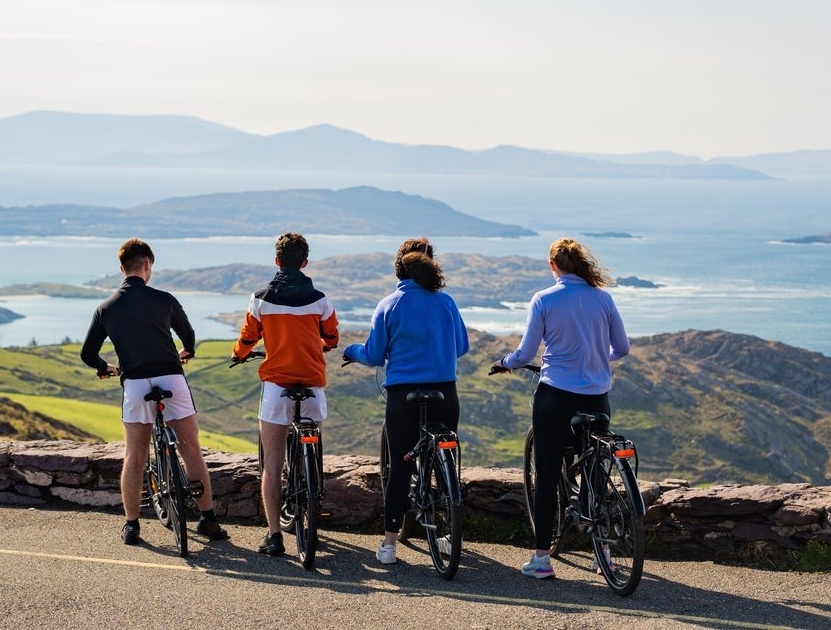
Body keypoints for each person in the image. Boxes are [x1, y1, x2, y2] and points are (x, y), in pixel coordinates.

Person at [493, 237, 630, 579]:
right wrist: (598, 358)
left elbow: (526, 354)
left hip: (557, 393)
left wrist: (506, 363)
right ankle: (604, 554)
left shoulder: (544, 299)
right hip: (597, 395)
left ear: (553, 266)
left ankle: (541, 559)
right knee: (597, 469)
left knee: (547, 472)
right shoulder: (603, 298)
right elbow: (622, 348)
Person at [80, 237, 227, 546]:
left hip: (134, 384)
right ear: (147, 265)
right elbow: (188, 335)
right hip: (172, 378)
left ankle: (132, 526)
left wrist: (104, 368)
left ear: (121, 268)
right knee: (190, 448)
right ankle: (208, 520)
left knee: (134, 455)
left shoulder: (106, 307)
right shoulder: (164, 299)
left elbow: (87, 353)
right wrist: (187, 350)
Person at [342, 237, 470, 565]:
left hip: (403, 394)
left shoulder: (389, 304)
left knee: (400, 465)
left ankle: (388, 545)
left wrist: (351, 351)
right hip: (445, 391)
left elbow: (372, 355)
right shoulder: (446, 302)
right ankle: (448, 532)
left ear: (399, 271)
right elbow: (462, 347)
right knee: (447, 460)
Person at [233, 231, 340, 557]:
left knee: (273, 464)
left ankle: (274, 535)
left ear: (277, 261)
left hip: (277, 387)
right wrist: (322, 345)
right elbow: (332, 337)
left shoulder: (261, 298)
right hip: (311, 385)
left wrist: (238, 354)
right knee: (315, 457)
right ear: (305, 262)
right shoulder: (320, 299)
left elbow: (248, 337)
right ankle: (311, 525)